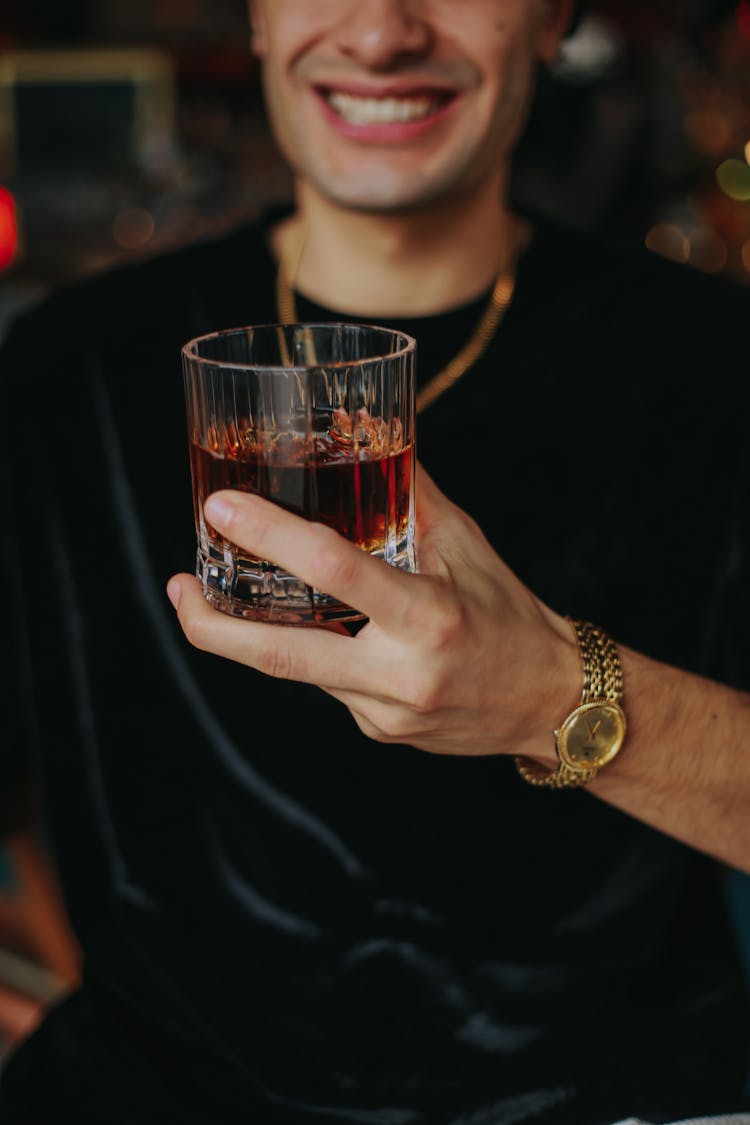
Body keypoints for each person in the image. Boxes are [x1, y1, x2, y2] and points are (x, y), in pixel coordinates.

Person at [1, 1, 749, 1122]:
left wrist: (557, 694)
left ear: (552, 25)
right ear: (254, 18)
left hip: (606, 1093)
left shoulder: (718, 361)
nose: (382, 31)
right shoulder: (71, 361)